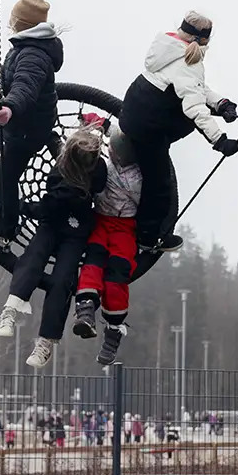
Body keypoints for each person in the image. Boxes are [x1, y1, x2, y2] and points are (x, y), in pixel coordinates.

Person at [119, 10, 238, 251]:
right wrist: (220, 140)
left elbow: (195, 88)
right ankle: (147, 237)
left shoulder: (168, 47)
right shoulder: (188, 62)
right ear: (204, 40)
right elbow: (194, 106)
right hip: (150, 127)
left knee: (154, 167)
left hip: (132, 112)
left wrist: (221, 103)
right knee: (159, 184)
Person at [0, 127, 107, 368]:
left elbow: (61, 148)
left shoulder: (97, 171)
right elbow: (47, 207)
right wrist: (19, 206)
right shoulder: (61, 171)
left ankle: (46, 340)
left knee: (63, 279)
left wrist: (22, 206)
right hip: (52, 223)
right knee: (33, 258)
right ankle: (11, 308)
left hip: (76, 231)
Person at [0, 0, 64, 248]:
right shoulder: (22, 47)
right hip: (22, 119)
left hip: (28, 128)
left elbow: (25, 86)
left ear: (21, 23)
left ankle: (5, 229)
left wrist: (10, 107)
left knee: (5, 177)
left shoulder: (34, 55)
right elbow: (1, 73)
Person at [73, 122, 141, 365]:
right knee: (93, 259)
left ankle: (113, 329)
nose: (108, 151)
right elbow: (112, 129)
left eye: (111, 150)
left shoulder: (138, 178)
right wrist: (93, 120)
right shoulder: (114, 151)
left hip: (125, 227)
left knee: (117, 272)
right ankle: (86, 307)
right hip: (100, 221)